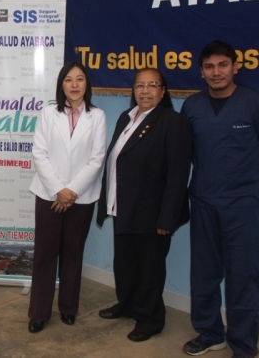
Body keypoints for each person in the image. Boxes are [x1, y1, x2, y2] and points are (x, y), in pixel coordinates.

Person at [181, 41, 259, 358]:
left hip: (243, 206)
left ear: (235, 67)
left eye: (223, 65)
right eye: (209, 66)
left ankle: (243, 344)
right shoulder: (192, 106)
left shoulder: (255, 103)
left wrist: (250, 185)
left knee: (244, 276)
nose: (216, 72)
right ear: (201, 72)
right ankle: (210, 334)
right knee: (204, 273)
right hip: (204, 202)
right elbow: (186, 153)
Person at [96, 68, 192, 342]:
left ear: (163, 91)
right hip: (123, 207)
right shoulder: (126, 118)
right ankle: (127, 305)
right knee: (125, 263)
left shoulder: (172, 122)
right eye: (140, 85)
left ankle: (150, 319)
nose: (145, 91)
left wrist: (167, 218)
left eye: (152, 85)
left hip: (153, 213)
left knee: (149, 269)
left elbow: (177, 175)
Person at [27, 61, 106, 333]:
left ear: (87, 84)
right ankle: (39, 312)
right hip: (48, 194)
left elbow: (97, 159)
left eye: (80, 79)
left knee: (73, 254)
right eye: (69, 79)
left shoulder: (98, 116)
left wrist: (71, 192)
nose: (74, 85)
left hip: (81, 198)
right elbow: (39, 153)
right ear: (61, 85)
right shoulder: (48, 112)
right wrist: (58, 190)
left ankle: (69, 308)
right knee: (44, 254)